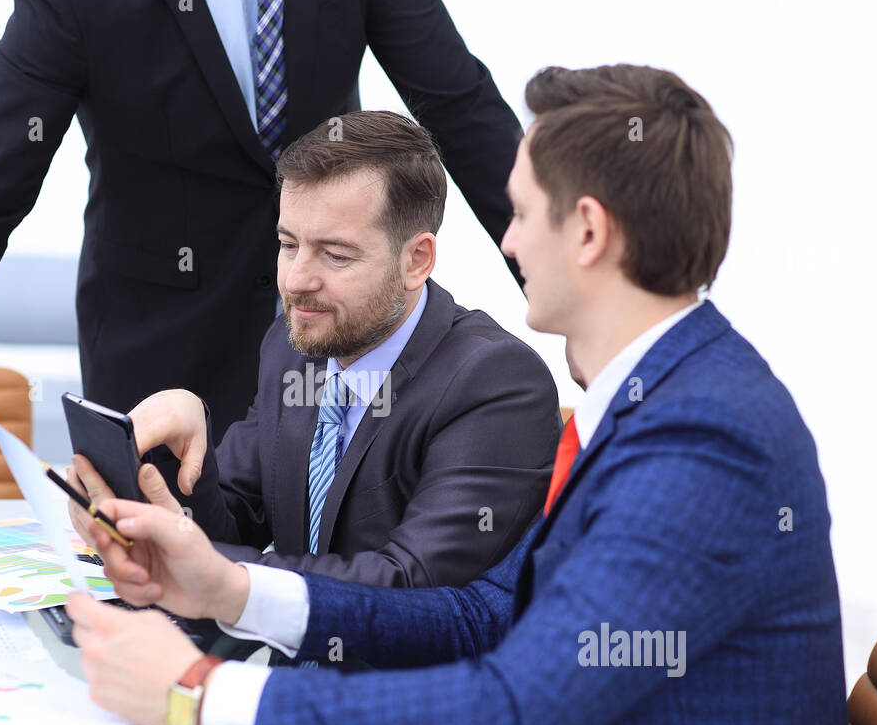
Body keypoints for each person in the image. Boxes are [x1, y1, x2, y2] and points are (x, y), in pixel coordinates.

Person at [63, 64, 860, 725]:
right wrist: (225, 591)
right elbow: (479, 614)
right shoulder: (653, 399)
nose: (508, 242)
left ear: (586, 231)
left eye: (518, 212)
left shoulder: (703, 439)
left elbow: (513, 716)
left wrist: (199, 693)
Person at [0, 0, 526, 557]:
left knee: (339, 581)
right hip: (159, 354)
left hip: (327, 343)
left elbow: (460, 106)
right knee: (152, 590)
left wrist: (592, 302)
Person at [66, 111, 557, 600]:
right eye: (287, 244)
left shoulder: (495, 383)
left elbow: (410, 586)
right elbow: (237, 524)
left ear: (416, 260)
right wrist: (159, 473)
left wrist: (212, 566)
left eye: (336, 255)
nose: (297, 280)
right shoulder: (292, 345)